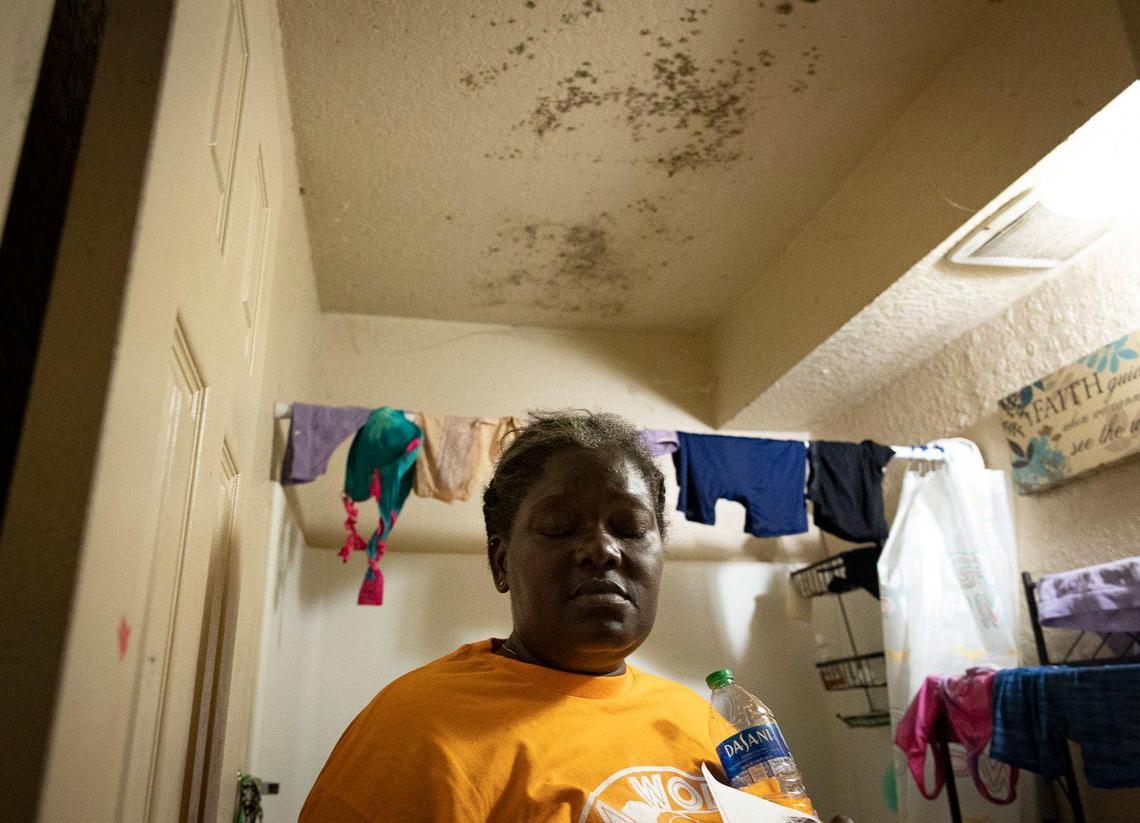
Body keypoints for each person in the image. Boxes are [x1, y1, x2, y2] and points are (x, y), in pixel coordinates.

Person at [301, 410, 725, 821]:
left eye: (630, 527)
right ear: (501, 562)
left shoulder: (710, 728)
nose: (602, 549)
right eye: (558, 527)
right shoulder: (413, 729)